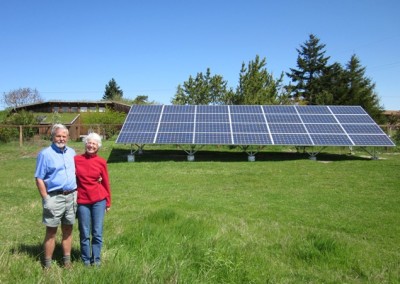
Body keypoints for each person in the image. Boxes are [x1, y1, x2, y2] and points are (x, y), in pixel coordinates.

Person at [35, 124, 77, 269]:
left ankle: (67, 262)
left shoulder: (72, 152)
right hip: (54, 197)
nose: (61, 139)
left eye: (64, 136)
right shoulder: (45, 154)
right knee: (51, 231)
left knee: (68, 230)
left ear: (68, 137)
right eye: (58, 136)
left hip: (71, 197)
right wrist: (46, 198)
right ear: (53, 137)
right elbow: (39, 178)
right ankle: (47, 265)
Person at [75, 132, 111, 266]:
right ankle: (85, 260)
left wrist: (108, 201)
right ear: (85, 144)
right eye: (89, 143)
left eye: (94, 144)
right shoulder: (76, 160)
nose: (91, 145)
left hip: (99, 200)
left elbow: (106, 182)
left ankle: (96, 260)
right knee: (84, 232)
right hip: (82, 200)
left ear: (98, 146)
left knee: (97, 232)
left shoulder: (101, 162)